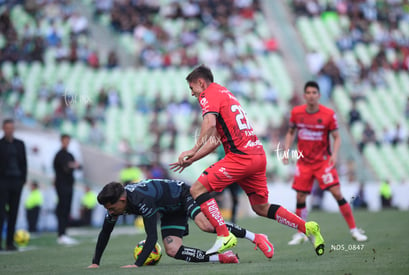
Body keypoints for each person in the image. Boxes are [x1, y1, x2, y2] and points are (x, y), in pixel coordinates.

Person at [170, 65, 325, 257]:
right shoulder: (225, 94)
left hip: (240, 157)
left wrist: (192, 149)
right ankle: (307, 227)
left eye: (192, 88)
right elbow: (216, 139)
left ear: (201, 83)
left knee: (197, 189)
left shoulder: (208, 95)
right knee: (261, 207)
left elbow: (209, 125)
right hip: (257, 156)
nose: (192, 93)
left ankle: (223, 234)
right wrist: (193, 158)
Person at [88, 180, 274, 268]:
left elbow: (151, 237)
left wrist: (137, 265)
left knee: (206, 225)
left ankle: (256, 237)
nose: (110, 212)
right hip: (168, 209)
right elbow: (105, 232)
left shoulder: (141, 201)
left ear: (122, 199)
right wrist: (95, 263)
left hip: (183, 195)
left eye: (111, 208)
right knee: (172, 250)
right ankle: (221, 258)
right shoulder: (117, 204)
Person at [282, 81, 367, 245]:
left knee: (337, 193)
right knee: (300, 196)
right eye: (308, 92)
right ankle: (301, 233)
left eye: (314, 92)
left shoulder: (328, 114)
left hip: (323, 162)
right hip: (304, 162)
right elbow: (291, 132)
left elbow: (337, 137)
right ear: (304, 95)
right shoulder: (297, 113)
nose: (311, 95)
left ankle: (354, 230)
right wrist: (286, 150)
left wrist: (334, 154)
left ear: (319, 95)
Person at [0, 119, 27, 251]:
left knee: (13, 213)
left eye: (11, 127)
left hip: (17, 182)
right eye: (7, 127)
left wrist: (22, 180)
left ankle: (9, 243)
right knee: (0, 213)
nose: (9, 130)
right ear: (3, 129)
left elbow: (24, 163)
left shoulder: (20, 144)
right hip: (3, 182)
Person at [53, 134, 81, 245]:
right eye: (64, 140)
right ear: (61, 141)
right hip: (61, 185)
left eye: (68, 141)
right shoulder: (59, 155)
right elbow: (65, 167)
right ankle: (61, 234)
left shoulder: (70, 154)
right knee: (62, 208)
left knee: (67, 209)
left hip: (69, 184)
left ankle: (64, 233)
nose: (66, 142)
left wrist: (74, 165)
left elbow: (77, 166)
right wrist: (71, 166)